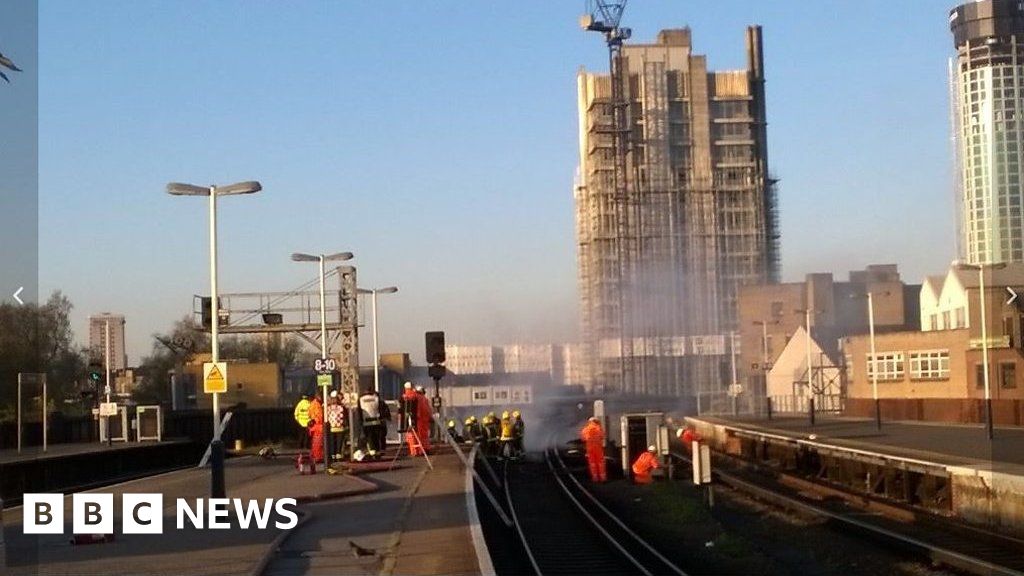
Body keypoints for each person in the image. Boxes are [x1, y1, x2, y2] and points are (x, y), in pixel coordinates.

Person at [359, 387, 383, 459]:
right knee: (376, 437)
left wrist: (360, 421)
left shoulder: (361, 399)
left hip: (366, 422)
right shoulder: (376, 398)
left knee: (369, 438)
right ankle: (377, 451)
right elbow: (380, 408)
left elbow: (359, 411)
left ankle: (372, 452)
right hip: (376, 421)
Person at [580, 416, 606, 482]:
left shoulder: (585, 429)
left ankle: (595, 478)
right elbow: (603, 436)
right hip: (598, 448)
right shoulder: (599, 428)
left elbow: (583, 438)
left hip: (589, 448)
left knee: (592, 464)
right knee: (600, 463)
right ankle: (603, 478)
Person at [400, 382, 423, 455]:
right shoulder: (416, 395)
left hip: (409, 419)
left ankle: (414, 451)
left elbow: (402, 408)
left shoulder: (405, 396)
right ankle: (418, 450)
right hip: (417, 418)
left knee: (410, 436)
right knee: (417, 435)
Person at [326, 391, 347, 463]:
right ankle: (338, 457)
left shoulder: (328, 408)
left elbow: (326, 418)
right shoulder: (341, 407)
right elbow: (345, 417)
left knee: (332, 443)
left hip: (332, 428)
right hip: (340, 428)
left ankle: (333, 457)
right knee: (339, 444)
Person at [414, 385, 433, 454]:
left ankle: (420, 450)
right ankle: (425, 449)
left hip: (420, 420)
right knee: (424, 436)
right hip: (423, 420)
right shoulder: (424, 399)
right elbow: (427, 409)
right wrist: (430, 417)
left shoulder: (417, 398)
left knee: (419, 435)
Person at [308, 394, 325, 463]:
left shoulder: (313, 404)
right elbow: (319, 417)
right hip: (318, 427)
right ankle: (318, 457)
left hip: (315, 427)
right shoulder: (317, 405)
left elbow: (310, 414)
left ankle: (315, 456)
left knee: (315, 443)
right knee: (318, 443)